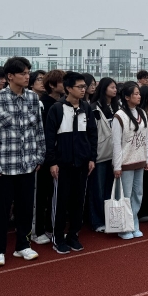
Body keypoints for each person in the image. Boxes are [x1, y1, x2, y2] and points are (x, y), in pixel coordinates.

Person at [0, 57, 46, 267]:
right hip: (5, 165)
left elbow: (38, 130)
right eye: (23, 73)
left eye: (28, 73)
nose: (27, 77)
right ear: (10, 76)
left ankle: (23, 245)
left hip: (28, 163)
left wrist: (40, 156)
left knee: (26, 208)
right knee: (1, 211)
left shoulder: (33, 98)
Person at [45, 72, 98, 254]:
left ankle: (73, 235)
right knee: (60, 202)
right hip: (63, 164)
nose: (83, 90)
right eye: (80, 87)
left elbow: (92, 134)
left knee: (78, 201)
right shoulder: (57, 109)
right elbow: (49, 138)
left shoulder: (86, 108)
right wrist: (52, 162)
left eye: (84, 86)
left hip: (82, 163)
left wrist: (92, 158)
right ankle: (58, 237)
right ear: (68, 88)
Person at [112, 82, 148, 239]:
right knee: (125, 196)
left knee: (138, 194)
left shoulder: (142, 112)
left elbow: (146, 138)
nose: (139, 96)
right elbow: (116, 143)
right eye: (135, 94)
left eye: (139, 93)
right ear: (127, 97)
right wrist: (117, 166)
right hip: (126, 163)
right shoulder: (119, 116)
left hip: (140, 160)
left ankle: (134, 223)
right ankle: (124, 228)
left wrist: (147, 158)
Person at [33, 69, 65, 244]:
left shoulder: (63, 103)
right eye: (62, 82)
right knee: (42, 195)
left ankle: (51, 227)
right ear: (52, 85)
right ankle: (38, 230)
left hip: (59, 155)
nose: (65, 85)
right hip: (45, 156)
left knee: (55, 194)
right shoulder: (43, 104)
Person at [88, 77, 118, 232]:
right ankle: (97, 221)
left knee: (109, 189)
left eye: (115, 87)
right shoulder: (94, 108)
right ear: (104, 88)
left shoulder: (116, 106)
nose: (115, 90)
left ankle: (109, 218)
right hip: (100, 155)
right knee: (97, 190)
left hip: (113, 154)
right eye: (112, 87)